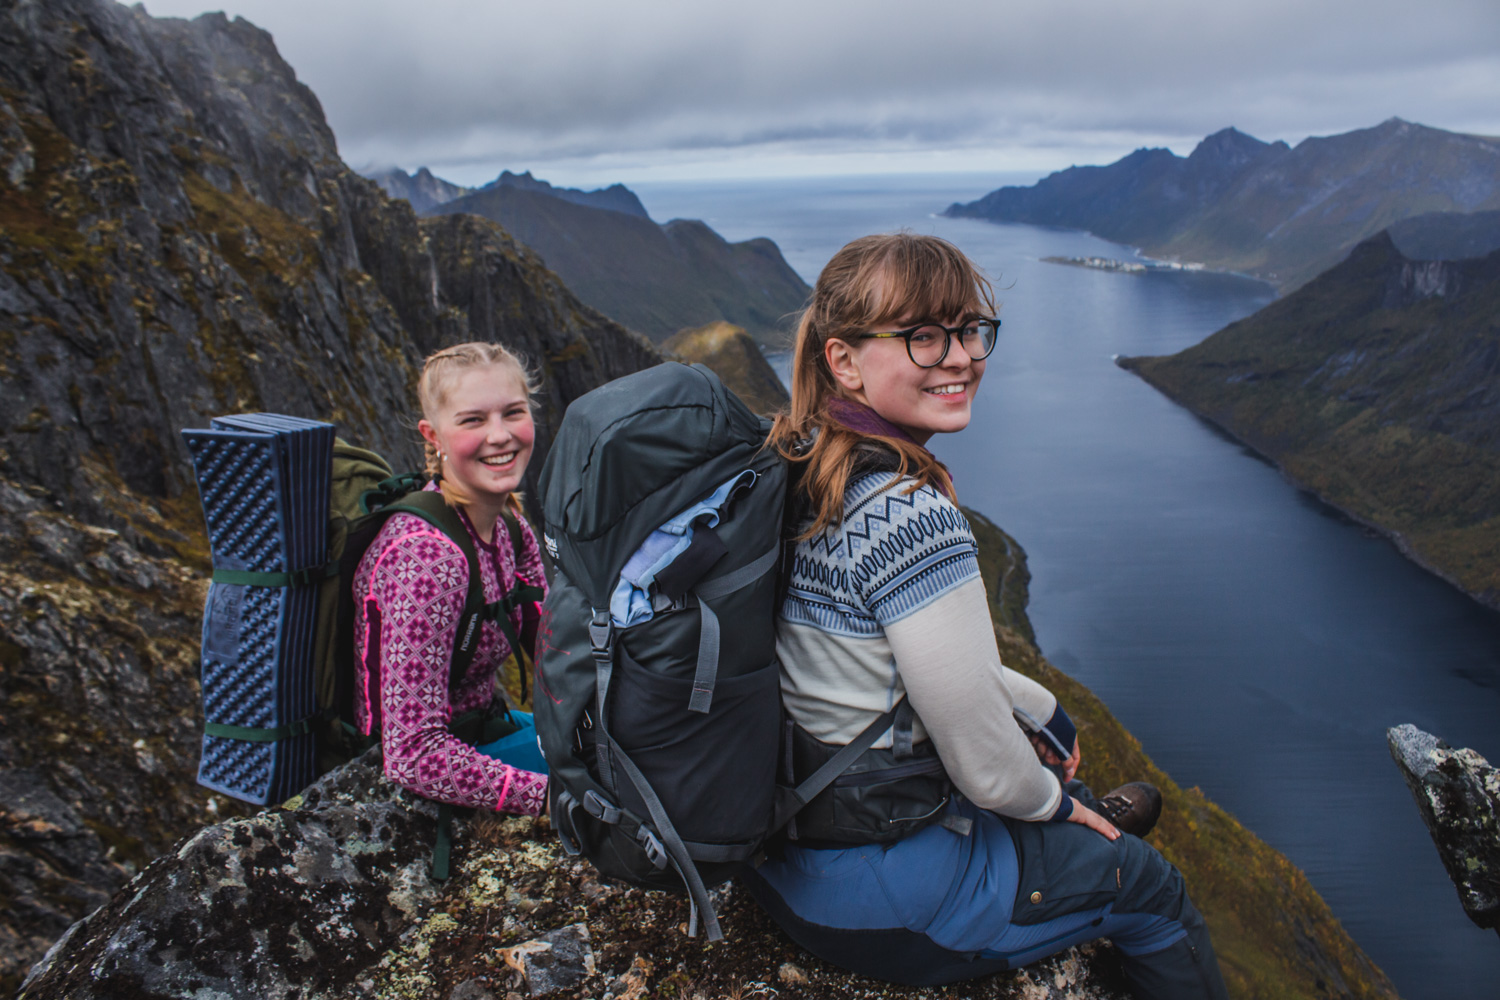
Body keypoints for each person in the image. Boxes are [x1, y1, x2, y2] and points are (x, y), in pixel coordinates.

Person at [749, 233, 1229, 998]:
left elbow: (888, 661)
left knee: (1047, 788)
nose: (962, 357)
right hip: (884, 892)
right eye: (923, 336)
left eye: (970, 330)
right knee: (1154, 889)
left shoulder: (798, 464)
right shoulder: (906, 515)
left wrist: (1039, 708)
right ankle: (1089, 828)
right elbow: (983, 766)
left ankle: (1074, 820)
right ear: (843, 360)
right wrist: (1051, 805)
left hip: (783, 852)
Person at [351, 341, 548, 818]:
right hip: (419, 772)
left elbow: (557, 650)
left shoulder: (511, 529)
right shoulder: (428, 557)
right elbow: (413, 753)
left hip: (481, 730)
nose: (499, 436)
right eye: (473, 420)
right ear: (432, 435)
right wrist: (560, 799)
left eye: (513, 413)